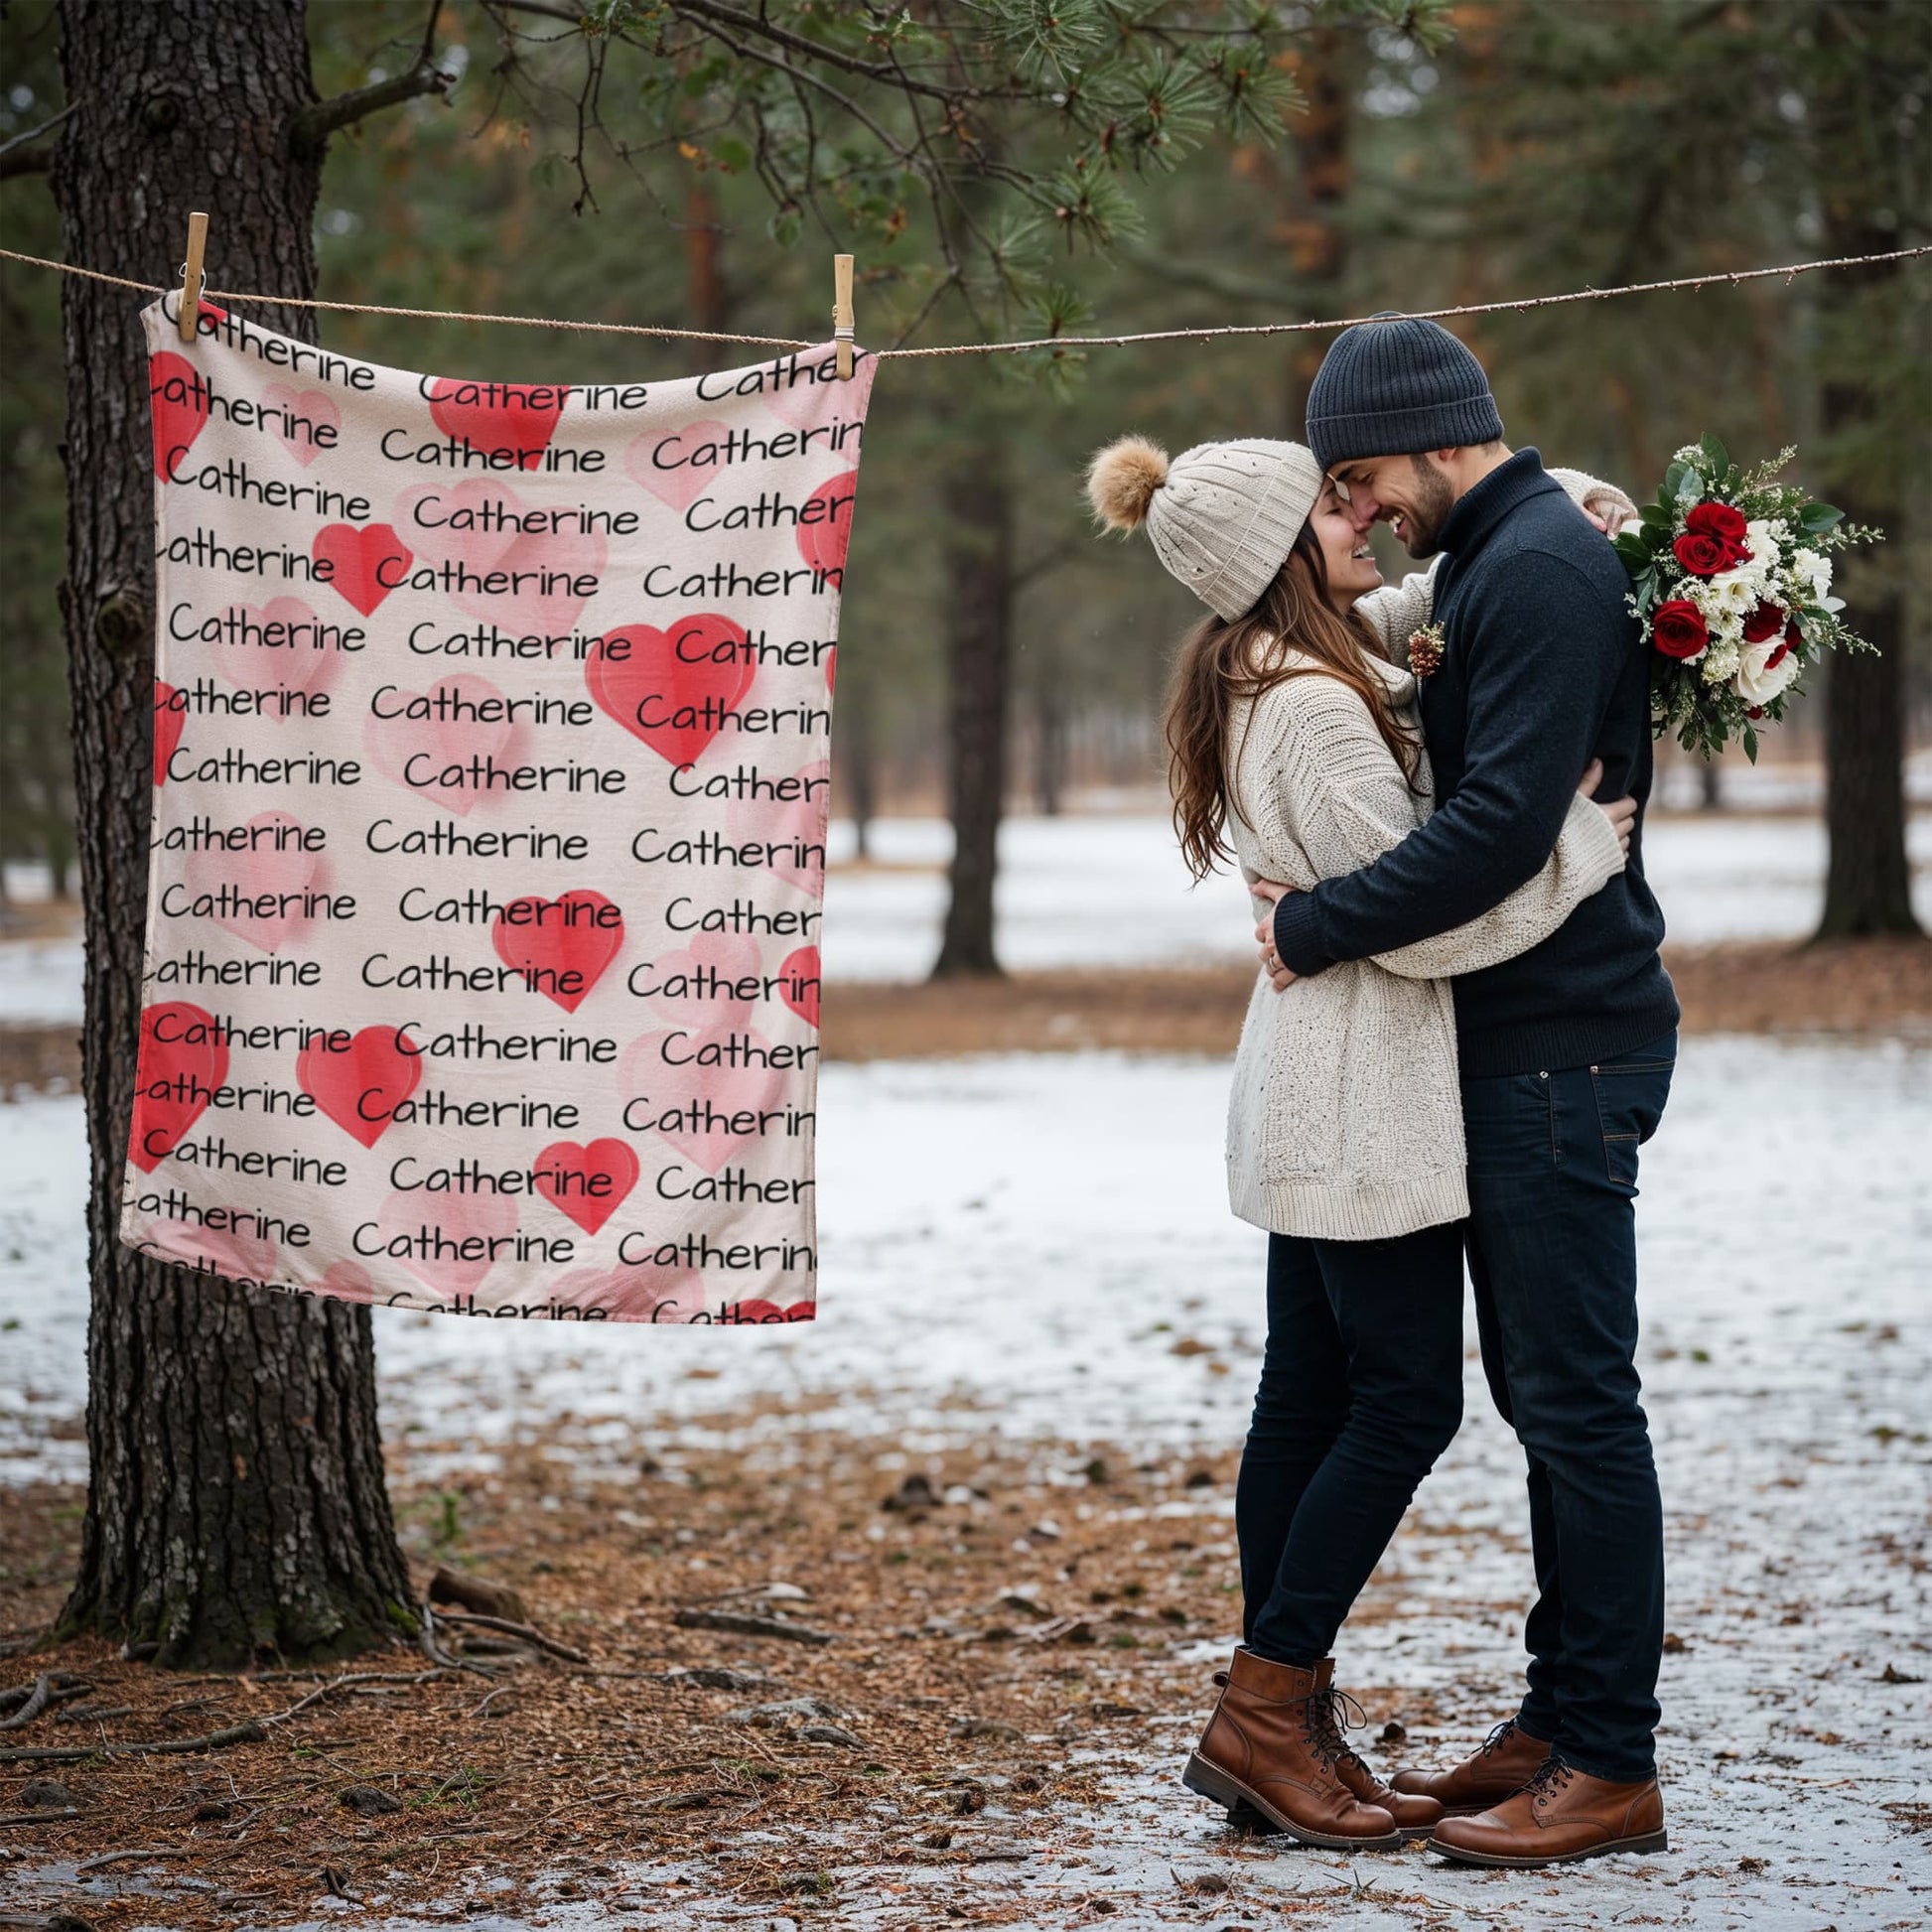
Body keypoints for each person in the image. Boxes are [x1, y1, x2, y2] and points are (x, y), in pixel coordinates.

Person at [1085, 428, 1638, 1853]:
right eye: (1331, 508)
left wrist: (1555, 509)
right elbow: (1435, 909)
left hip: (1313, 1080)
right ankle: (1265, 1708)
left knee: (1307, 1394)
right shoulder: (1317, 715)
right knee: (1401, 1403)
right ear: (1279, 552)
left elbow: (1411, 615)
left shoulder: (1268, 659)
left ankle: (1282, 1707)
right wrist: (1586, 841)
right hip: (1358, 1093)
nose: (1362, 518)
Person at [1251, 314, 1682, 1870]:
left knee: (1573, 1401)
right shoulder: (1501, 556)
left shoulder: (1539, 566)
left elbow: (1504, 826)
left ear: (1434, 435)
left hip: (1563, 1039)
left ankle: (1610, 1755)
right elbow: (1420, 693)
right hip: (1515, 1036)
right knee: (1540, 1398)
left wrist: (1311, 919)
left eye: (1362, 478)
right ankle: (1558, 1714)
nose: (1358, 510)